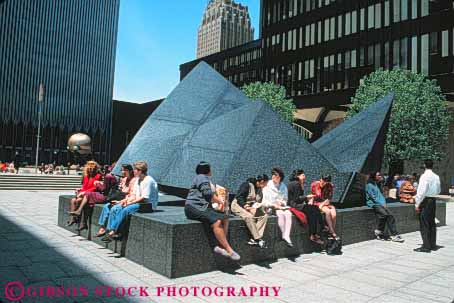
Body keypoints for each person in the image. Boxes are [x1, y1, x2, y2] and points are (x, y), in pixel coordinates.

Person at [184, 162, 240, 261]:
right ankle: (229, 250)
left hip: (201, 207)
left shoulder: (204, 179)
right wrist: (220, 202)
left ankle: (220, 246)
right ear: (206, 170)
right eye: (210, 168)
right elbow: (207, 194)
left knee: (225, 217)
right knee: (216, 221)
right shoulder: (201, 177)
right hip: (193, 208)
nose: (211, 170)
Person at [102, 161, 158, 241]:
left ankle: (112, 232)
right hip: (138, 202)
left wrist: (130, 203)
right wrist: (124, 201)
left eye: (135, 169)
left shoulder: (148, 180)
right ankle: (114, 231)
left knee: (126, 210)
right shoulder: (138, 180)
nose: (133, 171)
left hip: (148, 205)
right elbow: (134, 194)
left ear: (140, 171)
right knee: (119, 208)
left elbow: (144, 198)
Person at [96, 164, 135, 237]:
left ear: (130, 171)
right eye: (122, 170)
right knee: (106, 206)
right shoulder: (124, 179)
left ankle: (111, 229)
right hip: (120, 198)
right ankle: (102, 227)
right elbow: (121, 191)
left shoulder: (133, 180)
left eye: (125, 170)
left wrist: (120, 200)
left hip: (127, 200)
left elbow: (130, 194)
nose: (123, 172)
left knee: (114, 208)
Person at [230, 175, 269, 248]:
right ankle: (258, 239)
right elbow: (239, 197)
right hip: (238, 205)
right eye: (266, 183)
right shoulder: (247, 185)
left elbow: (257, 202)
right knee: (249, 216)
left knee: (264, 215)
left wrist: (262, 207)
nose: (266, 185)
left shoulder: (260, 189)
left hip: (250, 207)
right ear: (262, 182)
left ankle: (254, 238)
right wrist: (245, 206)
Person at [287, 169, 324, 245]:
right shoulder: (296, 184)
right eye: (303, 175)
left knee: (313, 210)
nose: (305, 177)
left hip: (293, 204)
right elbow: (296, 199)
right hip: (294, 205)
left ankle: (315, 233)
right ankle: (318, 230)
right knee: (314, 209)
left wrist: (307, 201)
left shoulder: (294, 183)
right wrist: (307, 197)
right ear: (298, 176)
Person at [366, 172, 404, 242]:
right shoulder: (369, 185)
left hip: (381, 203)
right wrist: (381, 203)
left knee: (390, 216)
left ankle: (393, 234)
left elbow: (381, 196)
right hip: (374, 204)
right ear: (374, 176)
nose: (380, 176)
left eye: (380, 175)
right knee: (384, 214)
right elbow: (373, 197)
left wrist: (384, 203)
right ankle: (380, 231)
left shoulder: (376, 184)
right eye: (378, 175)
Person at [412, 160, 441, 253]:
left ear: (424, 165)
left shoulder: (424, 176)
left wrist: (417, 204)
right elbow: (438, 190)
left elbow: (421, 191)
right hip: (433, 200)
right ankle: (432, 244)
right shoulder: (436, 176)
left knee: (424, 223)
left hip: (425, 200)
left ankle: (426, 246)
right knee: (431, 223)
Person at [262, 167, 293, 247]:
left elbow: (285, 199)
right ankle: (284, 235)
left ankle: (286, 235)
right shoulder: (267, 185)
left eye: (276, 175)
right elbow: (264, 201)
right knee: (280, 214)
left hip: (281, 207)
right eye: (273, 175)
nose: (273, 177)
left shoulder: (283, 186)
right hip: (270, 207)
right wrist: (273, 204)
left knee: (288, 213)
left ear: (280, 177)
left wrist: (282, 203)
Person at [67, 161, 102, 227]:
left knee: (78, 200)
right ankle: (72, 219)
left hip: (91, 194)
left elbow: (95, 188)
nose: (91, 171)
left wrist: (84, 192)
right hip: (84, 193)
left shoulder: (98, 176)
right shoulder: (86, 176)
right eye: (89, 169)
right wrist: (80, 190)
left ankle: (77, 217)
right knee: (73, 200)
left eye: (93, 169)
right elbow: (84, 186)